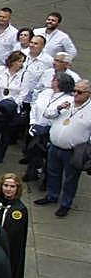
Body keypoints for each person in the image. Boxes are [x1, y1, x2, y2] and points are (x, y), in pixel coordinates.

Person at [36, 78, 91, 218]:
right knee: (52, 173)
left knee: (70, 179)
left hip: (73, 151)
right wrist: (59, 108)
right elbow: (47, 114)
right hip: (55, 147)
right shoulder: (67, 101)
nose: (75, 94)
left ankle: (66, 203)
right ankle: (52, 195)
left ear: (88, 94)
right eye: (74, 90)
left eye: (79, 92)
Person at [0, 173, 28, 278]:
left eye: (12, 186)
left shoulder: (19, 209)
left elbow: (16, 235)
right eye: (6, 185)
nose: (8, 189)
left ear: (17, 188)